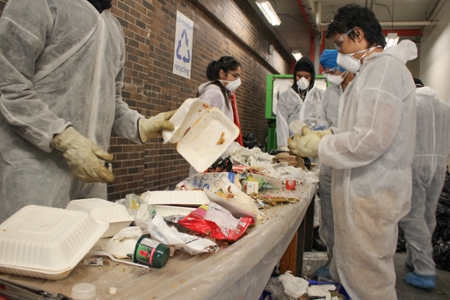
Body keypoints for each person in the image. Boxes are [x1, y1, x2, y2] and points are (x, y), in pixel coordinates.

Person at [0, 0, 175, 223]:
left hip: (91, 174)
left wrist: (141, 125)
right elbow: (9, 84)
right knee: (28, 250)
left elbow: (112, 100)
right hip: (35, 171)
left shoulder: (114, 28)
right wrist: (63, 137)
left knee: (90, 254)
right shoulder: (39, 3)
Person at [288, 4, 417, 299]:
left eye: (340, 43)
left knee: (369, 281)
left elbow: (371, 139)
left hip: (373, 192)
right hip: (363, 190)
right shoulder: (370, 73)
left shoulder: (383, 71)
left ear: (358, 34)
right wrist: (325, 135)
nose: (340, 52)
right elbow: (358, 131)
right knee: (355, 273)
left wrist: (321, 145)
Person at [398, 78, 450, 289]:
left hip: (413, 163)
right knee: (427, 215)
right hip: (438, 164)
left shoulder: (409, 104)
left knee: (412, 216)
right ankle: (415, 258)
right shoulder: (445, 107)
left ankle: (425, 270)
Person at [314, 49, 355, 279]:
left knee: (348, 218)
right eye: (327, 72)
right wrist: (319, 130)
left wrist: (334, 132)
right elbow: (322, 119)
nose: (330, 75)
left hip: (351, 162)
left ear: (343, 67)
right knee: (329, 217)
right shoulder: (329, 93)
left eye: (332, 70)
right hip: (330, 162)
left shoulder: (359, 89)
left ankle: (349, 268)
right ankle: (333, 263)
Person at [276, 56, 325, 152]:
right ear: (294, 75)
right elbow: (282, 122)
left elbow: (325, 119)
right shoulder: (285, 96)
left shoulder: (320, 95)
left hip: (314, 145)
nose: (303, 80)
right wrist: (283, 146)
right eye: (299, 76)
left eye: (307, 77)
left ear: (312, 77)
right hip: (293, 145)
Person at [197, 56, 242, 123]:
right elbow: (202, 121)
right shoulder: (214, 93)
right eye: (235, 76)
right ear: (222, 73)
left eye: (239, 76)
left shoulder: (223, 93)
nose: (238, 80)